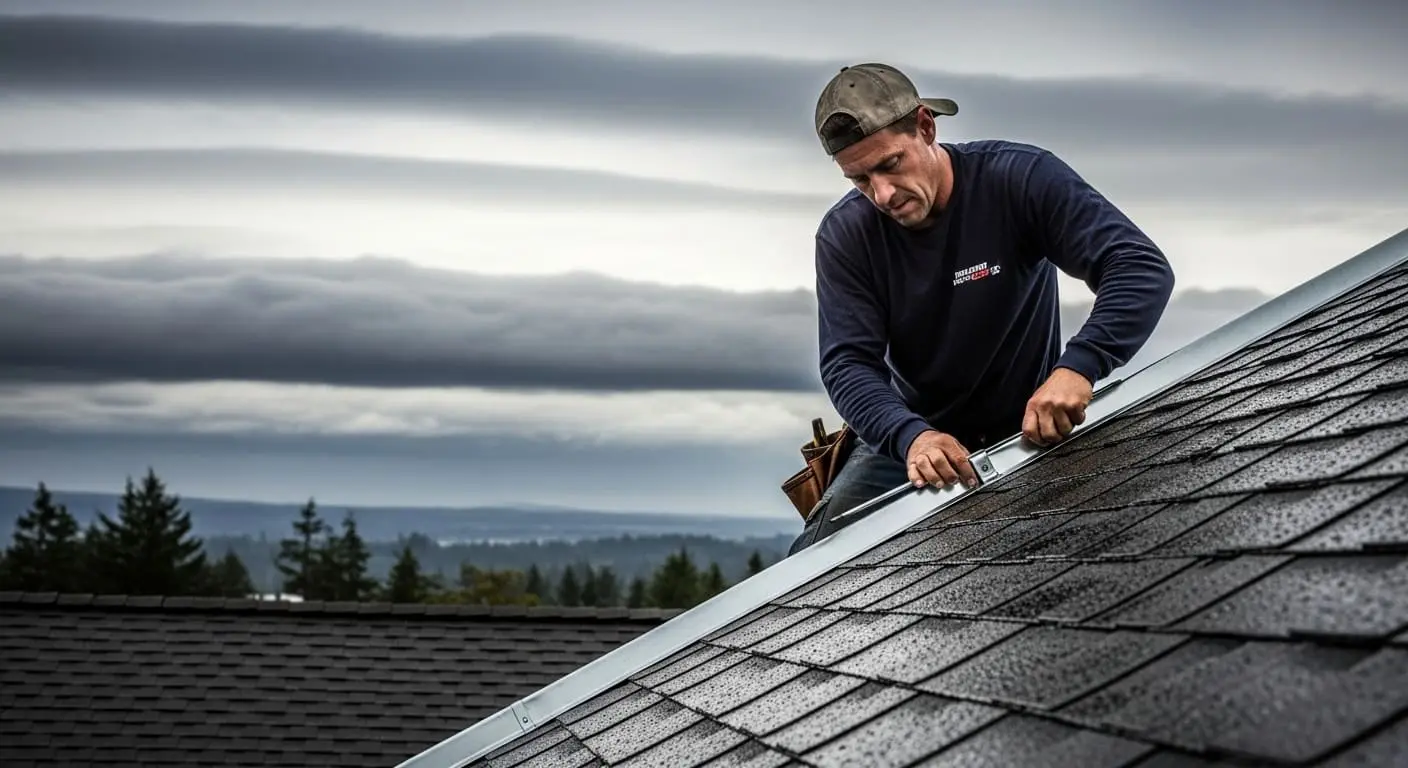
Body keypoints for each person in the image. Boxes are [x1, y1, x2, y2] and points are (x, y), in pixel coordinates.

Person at [789, 62, 1174, 555]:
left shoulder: (1018, 178)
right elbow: (848, 364)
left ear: (926, 127)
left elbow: (1138, 266)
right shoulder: (846, 234)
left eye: (889, 164)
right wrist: (911, 437)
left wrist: (1080, 367)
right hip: (911, 436)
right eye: (860, 179)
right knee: (813, 561)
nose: (881, 195)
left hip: (1032, 422)